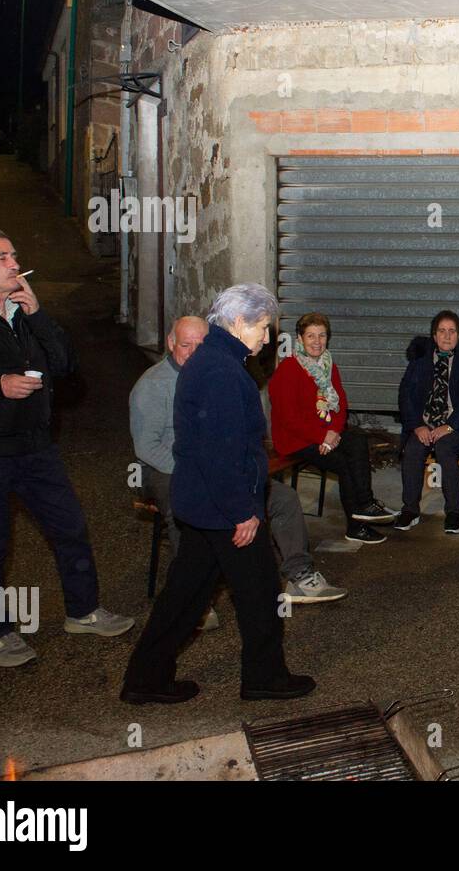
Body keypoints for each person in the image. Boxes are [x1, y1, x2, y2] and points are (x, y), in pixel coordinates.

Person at [0, 229, 133, 668]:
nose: (13, 262)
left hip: (36, 448)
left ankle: (83, 611)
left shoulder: (25, 314)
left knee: (70, 528)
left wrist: (40, 315)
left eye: (14, 253)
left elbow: (65, 366)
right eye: (2, 256)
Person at [122, 283, 315, 704]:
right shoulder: (222, 373)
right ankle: (264, 678)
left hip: (202, 506)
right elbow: (221, 453)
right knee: (261, 592)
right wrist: (242, 513)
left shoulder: (214, 360)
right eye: (263, 329)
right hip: (222, 510)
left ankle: (145, 678)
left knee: (186, 595)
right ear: (239, 322)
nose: (267, 339)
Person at [130, 315, 346, 607]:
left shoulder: (218, 375)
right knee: (184, 511)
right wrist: (200, 475)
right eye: (185, 345)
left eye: (200, 344)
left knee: (283, 499)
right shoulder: (153, 385)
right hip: (166, 466)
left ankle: (299, 574)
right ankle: (191, 599)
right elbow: (147, 447)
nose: (193, 351)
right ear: (170, 344)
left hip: (216, 464)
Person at [270, 312, 396, 545]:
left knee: (357, 439)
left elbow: (341, 405)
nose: (317, 341)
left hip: (325, 434)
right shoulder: (288, 369)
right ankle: (356, 526)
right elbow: (289, 419)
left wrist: (334, 434)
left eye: (322, 335)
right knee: (343, 462)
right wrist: (323, 437)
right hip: (296, 439)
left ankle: (365, 504)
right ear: (300, 338)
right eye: (311, 336)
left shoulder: (329, 366)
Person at [395, 310, 459, 535]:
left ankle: (454, 512)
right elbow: (405, 393)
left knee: (446, 448)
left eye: (452, 331)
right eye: (442, 331)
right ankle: (410, 509)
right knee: (413, 449)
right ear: (434, 336)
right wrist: (417, 425)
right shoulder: (420, 358)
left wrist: (450, 425)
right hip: (425, 423)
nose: (447, 336)